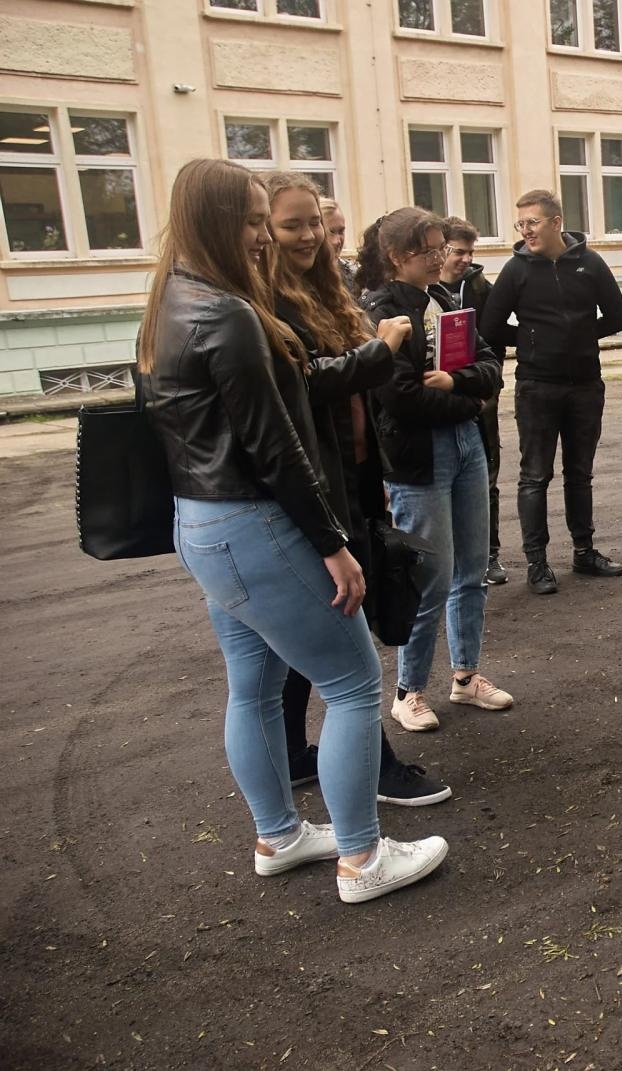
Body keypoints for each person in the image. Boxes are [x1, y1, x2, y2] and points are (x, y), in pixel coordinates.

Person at [139, 158, 447, 902]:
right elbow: (276, 448)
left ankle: (278, 833)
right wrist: (333, 545)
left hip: (203, 524)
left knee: (253, 684)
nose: (261, 237)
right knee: (350, 682)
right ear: (216, 221)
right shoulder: (229, 314)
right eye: (251, 221)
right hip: (255, 523)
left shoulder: (171, 301)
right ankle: (362, 859)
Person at [262, 172, 453, 806]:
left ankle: (293, 756)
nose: (314, 236)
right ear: (261, 230)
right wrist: (381, 349)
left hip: (353, 474)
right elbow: (304, 386)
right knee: (347, 655)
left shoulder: (325, 288)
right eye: (296, 225)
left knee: (291, 649)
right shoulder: (265, 301)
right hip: (316, 486)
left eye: (318, 223)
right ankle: (375, 773)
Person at [357, 208, 514, 732]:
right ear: (400, 255)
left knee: (471, 570)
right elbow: (399, 399)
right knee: (431, 578)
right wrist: (469, 402)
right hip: (418, 460)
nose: (441, 257)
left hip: (466, 447)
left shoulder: (445, 298)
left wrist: (458, 385)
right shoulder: (379, 311)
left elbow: (491, 364)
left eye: (442, 247)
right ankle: (409, 690)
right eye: (431, 249)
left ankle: (466, 676)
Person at [481, 189, 622, 595]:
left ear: (556, 222)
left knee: (579, 474)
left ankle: (584, 552)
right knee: (534, 476)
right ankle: (537, 563)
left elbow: (617, 315)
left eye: (533, 222)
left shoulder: (590, 263)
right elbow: (490, 326)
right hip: (537, 386)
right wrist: (534, 341)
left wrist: (578, 336)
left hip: (584, 385)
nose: (525, 230)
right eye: (521, 223)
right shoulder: (516, 270)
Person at [437, 216, 507, 584]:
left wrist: (488, 385)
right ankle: (447, 559)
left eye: (469, 252)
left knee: (486, 474)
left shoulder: (482, 288)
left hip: (480, 394)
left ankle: (488, 555)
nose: (464, 259)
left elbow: (495, 338)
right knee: (442, 477)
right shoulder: (426, 291)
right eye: (457, 252)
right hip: (441, 395)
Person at [319, 196, 358, 297]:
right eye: (331, 232)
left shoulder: (353, 274)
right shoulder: (301, 279)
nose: (337, 241)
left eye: (341, 232)